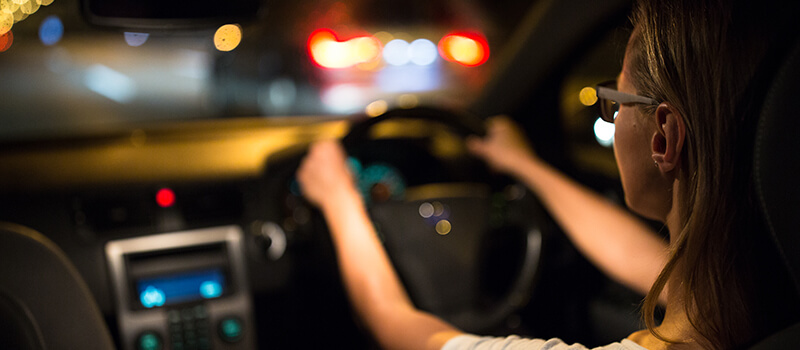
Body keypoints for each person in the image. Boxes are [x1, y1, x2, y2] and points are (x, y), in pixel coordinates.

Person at [297, 0, 800, 348]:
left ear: (663, 138)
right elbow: (645, 259)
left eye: (614, 101)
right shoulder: (763, 300)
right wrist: (523, 165)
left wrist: (339, 199)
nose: (611, 112)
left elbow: (396, 325)